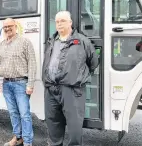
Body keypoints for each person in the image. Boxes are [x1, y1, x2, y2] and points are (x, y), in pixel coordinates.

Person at [42, 11, 99, 146]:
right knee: (53, 124)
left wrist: (78, 74)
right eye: (57, 22)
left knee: (74, 126)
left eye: (62, 21)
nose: (59, 24)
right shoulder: (52, 40)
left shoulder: (81, 41)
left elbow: (93, 62)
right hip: (51, 88)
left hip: (72, 90)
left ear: (70, 23)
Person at [0, 18, 37, 146]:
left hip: (21, 83)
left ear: (15, 26)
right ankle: (18, 137)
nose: (7, 29)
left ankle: (28, 141)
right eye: (5, 27)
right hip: (6, 83)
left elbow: (32, 64)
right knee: (13, 113)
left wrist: (31, 84)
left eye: (9, 26)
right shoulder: (1, 44)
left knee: (24, 114)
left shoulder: (25, 42)